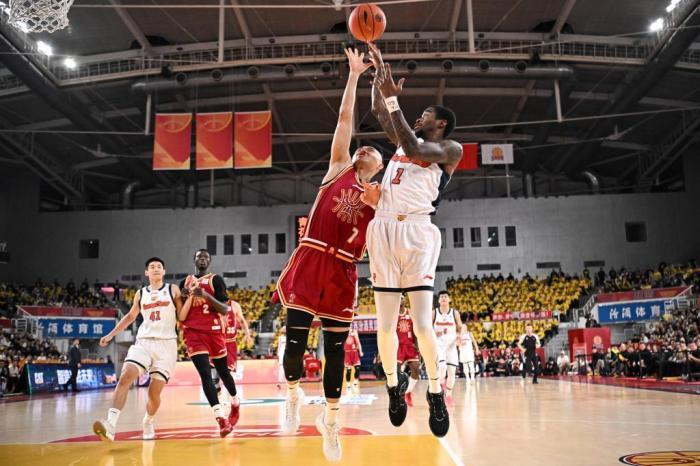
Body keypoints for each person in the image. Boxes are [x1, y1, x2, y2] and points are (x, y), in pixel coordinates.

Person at [272, 47, 383, 462]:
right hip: (312, 258)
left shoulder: (380, 201)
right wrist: (354, 76)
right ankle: (293, 395)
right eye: (362, 148)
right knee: (296, 344)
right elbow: (344, 120)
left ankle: (331, 422)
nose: (364, 149)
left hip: (343, 270)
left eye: (372, 151)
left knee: (335, 350)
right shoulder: (338, 167)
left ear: (380, 166)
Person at [367, 42, 462, 439]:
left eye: (425, 115)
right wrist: (379, 80)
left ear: (440, 123)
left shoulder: (449, 149)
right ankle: (394, 385)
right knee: (385, 327)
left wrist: (393, 102)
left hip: (418, 233)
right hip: (383, 228)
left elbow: (412, 145)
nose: (418, 117)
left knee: (423, 325)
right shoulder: (404, 142)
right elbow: (381, 113)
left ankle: (436, 391)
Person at [93, 257, 182, 442]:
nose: (156, 269)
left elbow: (182, 316)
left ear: (164, 272)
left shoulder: (173, 289)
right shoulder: (141, 294)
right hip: (144, 342)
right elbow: (129, 317)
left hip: (167, 345)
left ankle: (148, 420)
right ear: (146, 272)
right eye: (152, 267)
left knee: (153, 394)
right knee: (126, 376)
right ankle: (110, 425)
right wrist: (110, 335)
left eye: (159, 266)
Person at [179, 249, 241, 437]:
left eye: (206, 257)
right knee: (206, 375)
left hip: (213, 331)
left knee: (223, 372)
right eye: (199, 257)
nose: (202, 259)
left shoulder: (216, 280)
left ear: (210, 261)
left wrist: (206, 296)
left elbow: (224, 309)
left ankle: (235, 402)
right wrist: (183, 296)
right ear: (194, 260)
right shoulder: (184, 282)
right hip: (193, 332)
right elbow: (180, 312)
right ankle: (220, 418)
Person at [216, 298, 252, 412]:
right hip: (217, 341)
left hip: (230, 343)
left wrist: (248, 335)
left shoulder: (234, 305)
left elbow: (242, 320)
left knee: (228, 372)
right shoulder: (214, 302)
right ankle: (219, 396)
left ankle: (228, 398)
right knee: (215, 375)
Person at [433, 291, 462, 405]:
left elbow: (460, 327)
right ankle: (441, 383)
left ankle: (448, 395)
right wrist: (434, 334)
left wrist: (459, 337)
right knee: (441, 366)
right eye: (441, 297)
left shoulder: (455, 313)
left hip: (451, 345)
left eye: (446, 296)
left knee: (451, 372)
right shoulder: (434, 313)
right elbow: (428, 328)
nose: (444, 298)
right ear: (439, 300)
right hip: (439, 344)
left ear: (449, 299)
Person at [396, 297, 420, 406]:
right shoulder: (392, 314)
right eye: (398, 298)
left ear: (404, 300)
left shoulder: (410, 312)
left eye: (401, 298)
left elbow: (415, 331)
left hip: (410, 345)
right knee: (396, 372)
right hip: (398, 346)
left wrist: (418, 346)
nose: (399, 300)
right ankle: (398, 395)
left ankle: (408, 392)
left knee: (416, 369)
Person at [343, 328, 363, 395]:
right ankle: (348, 384)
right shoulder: (343, 331)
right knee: (348, 370)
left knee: (357, 368)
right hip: (347, 353)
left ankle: (355, 381)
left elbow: (358, 342)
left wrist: (360, 351)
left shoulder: (354, 331)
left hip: (354, 352)